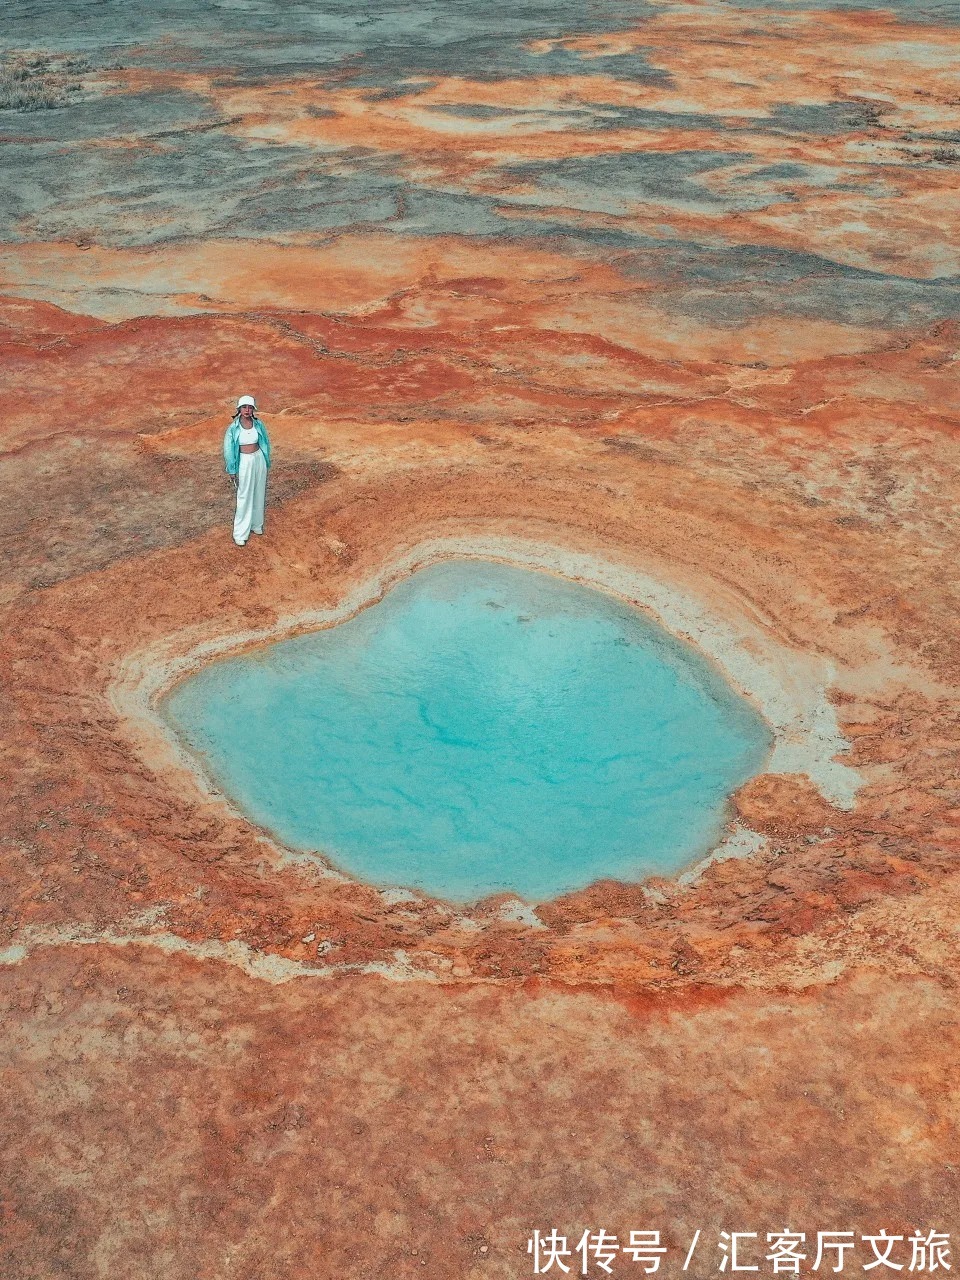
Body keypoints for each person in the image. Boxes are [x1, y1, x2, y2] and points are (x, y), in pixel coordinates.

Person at [223, 394, 271, 546]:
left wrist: (265, 459)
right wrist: (232, 469)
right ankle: (240, 533)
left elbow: (266, 442)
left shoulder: (258, 424)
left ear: (253, 410)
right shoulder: (233, 428)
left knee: (258, 491)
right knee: (244, 495)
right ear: (239, 409)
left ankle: (256, 525)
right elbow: (228, 449)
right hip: (244, 461)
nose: (247, 410)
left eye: (250, 407)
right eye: (244, 407)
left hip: (258, 459)